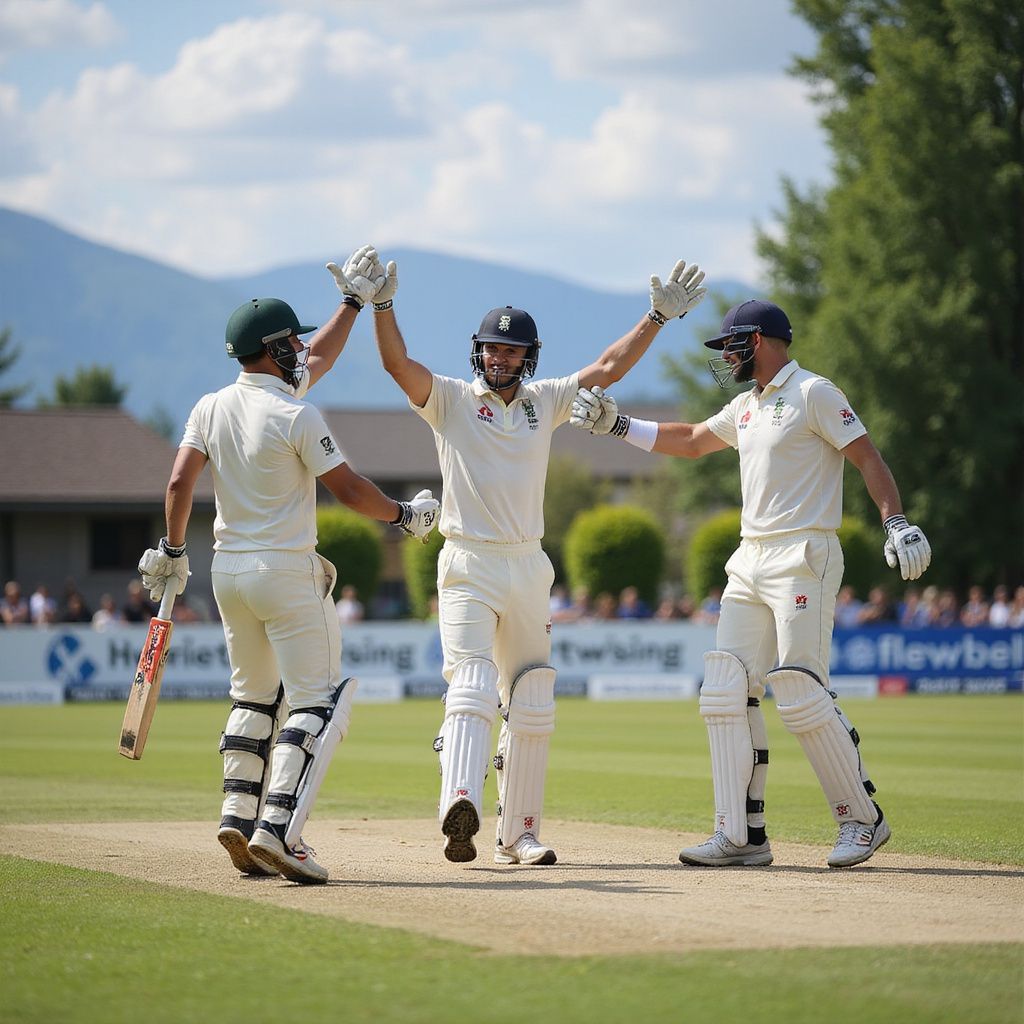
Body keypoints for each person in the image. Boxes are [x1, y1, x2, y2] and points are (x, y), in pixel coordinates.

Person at [370, 248, 707, 866]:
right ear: (479, 352)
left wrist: (656, 317)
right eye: (492, 349)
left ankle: (519, 833)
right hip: (467, 562)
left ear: (529, 357)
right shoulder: (447, 398)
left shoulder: (544, 400)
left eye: (511, 351)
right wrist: (383, 306)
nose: (500, 359)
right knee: (471, 682)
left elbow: (608, 367)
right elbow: (397, 364)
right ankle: (460, 805)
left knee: (532, 696)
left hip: (527, 564)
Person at [570, 298, 932, 868]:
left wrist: (896, 521)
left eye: (732, 345)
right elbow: (690, 440)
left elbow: (866, 456)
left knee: (799, 686)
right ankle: (741, 835)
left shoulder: (814, 392)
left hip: (804, 553)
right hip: (750, 558)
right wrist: (617, 424)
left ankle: (862, 820)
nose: (727, 356)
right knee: (725, 690)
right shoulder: (745, 406)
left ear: (759, 341)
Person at [136, 247, 440, 885]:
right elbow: (351, 490)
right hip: (286, 569)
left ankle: (238, 817)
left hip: (227, 572)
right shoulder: (296, 414)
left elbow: (176, 485)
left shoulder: (210, 405)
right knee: (318, 701)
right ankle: (279, 830)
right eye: (292, 345)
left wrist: (171, 549)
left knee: (253, 695)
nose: (303, 352)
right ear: (274, 350)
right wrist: (402, 517)